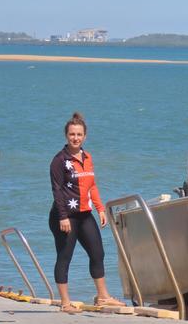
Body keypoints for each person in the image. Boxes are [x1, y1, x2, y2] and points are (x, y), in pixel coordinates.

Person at [49, 112, 125, 313]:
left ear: (85, 136)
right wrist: (63, 216)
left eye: (79, 134)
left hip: (84, 214)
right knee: (65, 256)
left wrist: (100, 209)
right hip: (64, 215)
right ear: (66, 135)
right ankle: (65, 303)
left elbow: (92, 186)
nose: (75, 138)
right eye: (72, 134)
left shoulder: (87, 157)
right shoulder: (59, 160)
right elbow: (57, 190)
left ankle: (103, 297)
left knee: (97, 253)